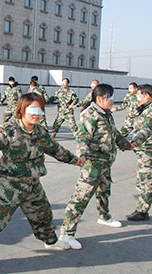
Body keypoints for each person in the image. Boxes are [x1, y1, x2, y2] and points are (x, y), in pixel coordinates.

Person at [0, 93, 85, 274]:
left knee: (43, 216)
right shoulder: (9, 130)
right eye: (33, 110)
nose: (37, 114)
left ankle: (50, 242)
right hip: (8, 187)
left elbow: (56, 149)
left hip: (32, 186)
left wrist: (74, 160)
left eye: (40, 111)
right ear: (21, 110)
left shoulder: (41, 132)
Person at [59, 84, 132, 250]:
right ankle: (66, 234)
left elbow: (115, 134)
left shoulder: (106, 114)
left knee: (104, 190)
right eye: (110, 97)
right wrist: (82, 155)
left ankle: (104, 217)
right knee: (80, 198)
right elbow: (83, 137)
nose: (113, 100)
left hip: (106, 163)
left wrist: (127, 145)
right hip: (93, 164)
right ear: (100, 99)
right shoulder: (89, 115)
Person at [126, 84, 152, 221]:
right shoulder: (145, 107)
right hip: (142, 148)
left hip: (149, 148)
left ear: (147, 96)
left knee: (147, 178)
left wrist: (135, 141)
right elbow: (131, 123)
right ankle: (144, 198)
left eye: (139, 94)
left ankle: (143, 210)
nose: (137, 97)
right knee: (142, 177)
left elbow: (147, 129)